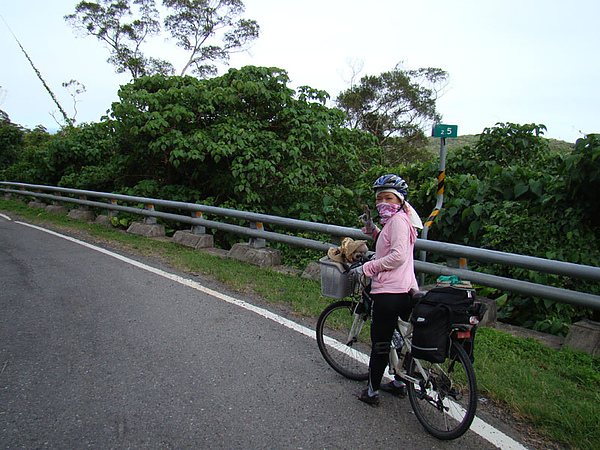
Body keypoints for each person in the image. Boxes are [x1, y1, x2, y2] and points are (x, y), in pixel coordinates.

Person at [353, 174, 423, 407]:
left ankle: (371, 393)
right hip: (405, 291)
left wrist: (368, 267)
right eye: (379, 198)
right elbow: (389, 242)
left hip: (389, 294)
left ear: (400, 199)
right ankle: (399, 382)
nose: (383, 202)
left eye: (389, 197)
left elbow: (398, 255)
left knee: (380, 344)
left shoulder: (399, 222)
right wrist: (372, 230)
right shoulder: (398, 221)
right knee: (399, 339)